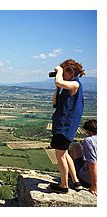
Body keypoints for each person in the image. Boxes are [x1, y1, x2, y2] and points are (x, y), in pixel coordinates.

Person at [49, 59, 85, 193]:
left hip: (64, 127)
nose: (62, 75)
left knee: (60, 156)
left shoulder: (75, 84)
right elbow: (55, 103)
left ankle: (63, 186)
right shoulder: (68, 87)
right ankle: (75, 181)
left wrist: (58, 71)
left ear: (71, 72)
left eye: (64, 72)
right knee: (65, 154)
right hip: (63, 125)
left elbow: (59, 81)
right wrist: (57, 89)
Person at [70, 119, 97, 196]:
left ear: (89, 131)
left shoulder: (89, 140)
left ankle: (72, 176)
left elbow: (93, 163)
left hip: (87, 179)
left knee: (75, 146)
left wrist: (94, 186)